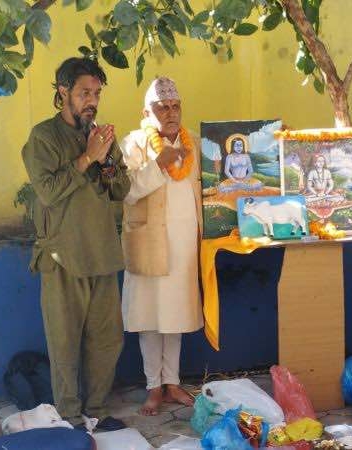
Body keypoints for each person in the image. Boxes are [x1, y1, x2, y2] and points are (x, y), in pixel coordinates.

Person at [22, 57, 130, 431]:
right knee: (64, 344)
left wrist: (108, 162)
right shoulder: (43, 138)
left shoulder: (100, 135)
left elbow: (122, 189)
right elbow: (49, 192)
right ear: (62, 92)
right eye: (85, 92)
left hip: (101, 252)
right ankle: (69, 418)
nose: (92, 101)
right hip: (63, 256)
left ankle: (97, 411)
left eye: (96, 93)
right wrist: (87, 158)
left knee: (107, 341)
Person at [120, 77, 204, 416]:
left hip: (185, 244)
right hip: (148, 242)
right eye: (161, 107)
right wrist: (160, 163)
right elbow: (126, 191)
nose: (170, 113)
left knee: (176, 317)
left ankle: (173, 382)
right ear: (146, 112)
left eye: (174, 106)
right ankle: (153, 387)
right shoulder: (134, 144)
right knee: (151, 319)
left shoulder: (195, 142)